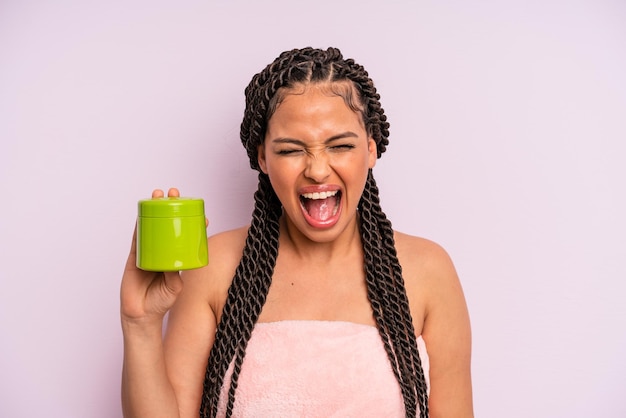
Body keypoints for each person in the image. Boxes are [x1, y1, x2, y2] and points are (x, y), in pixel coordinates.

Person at [120, 47, 473, 418]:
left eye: (340, 145)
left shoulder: (429, 272)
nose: (318, 171)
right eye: (291, 150)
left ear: (370, 150)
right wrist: (140, 324)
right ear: (263, 159)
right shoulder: (212, 267)